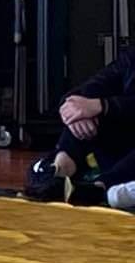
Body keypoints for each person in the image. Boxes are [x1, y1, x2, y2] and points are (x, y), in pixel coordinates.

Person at [28, 47, 135, 211]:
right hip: (120, 147)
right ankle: (59, 169)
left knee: (99, 108)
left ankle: (98, 188)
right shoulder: (130, 58)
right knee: (85, 112)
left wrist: (102, 105)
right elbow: (94, 85)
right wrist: (73, 106)